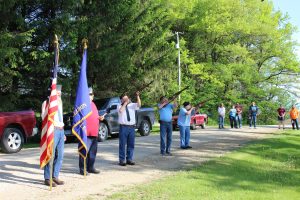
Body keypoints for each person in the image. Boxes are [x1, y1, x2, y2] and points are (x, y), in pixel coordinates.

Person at [43, 85, 65, 187]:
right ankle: (47, 178)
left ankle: (55, 176)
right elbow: (44, 119)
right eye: (57, 91)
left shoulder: (60, 103)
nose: (59, 93)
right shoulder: (47, 103)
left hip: (60, 130)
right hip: (53, 131)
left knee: (60, 156)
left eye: (60, 92)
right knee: (50, 155)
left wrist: (63, 132)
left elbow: (61, 119)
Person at [79, 87, 104, 175]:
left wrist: (100, 118)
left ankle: (91, 167)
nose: (90, 96)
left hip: (94, 132)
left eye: (91, 95)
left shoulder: (93, 104)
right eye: (88, 94)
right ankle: (83, 169)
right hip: (86, 133)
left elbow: (95, 116)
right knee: (84, 151)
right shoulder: (83, 105)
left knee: (93, 152)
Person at [118, 92, 141, 166]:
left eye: (127, 98)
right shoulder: (119, 106)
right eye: (124, 99)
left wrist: (137, 96)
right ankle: (122, 160)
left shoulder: (132, 105)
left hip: (131, 127)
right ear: (121, 100)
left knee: (131, 144)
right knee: (122, 144)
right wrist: (125, 103)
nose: (126, 100)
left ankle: (129, 159)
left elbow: (139, 105)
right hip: (123, 127)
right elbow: (121, 111)